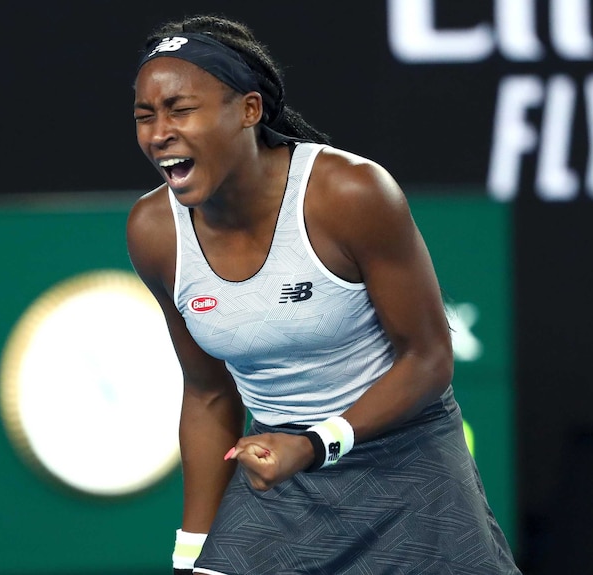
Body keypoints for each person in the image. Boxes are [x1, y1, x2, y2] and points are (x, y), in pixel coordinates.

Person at [126, 14, 521, 575]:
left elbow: (428, 359)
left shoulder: (351, 193)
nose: (158, 133)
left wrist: (315, 443)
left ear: (249, 110)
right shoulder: (153, 231)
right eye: (145, 116)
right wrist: (191, 549)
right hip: (279, 475)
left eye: (180, 110)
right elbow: (209, 392)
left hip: (408, 462)